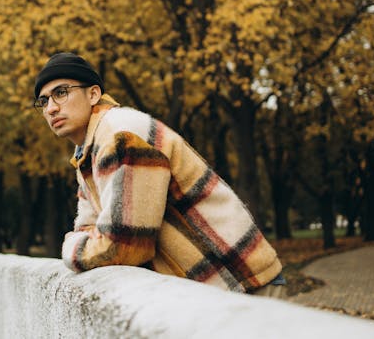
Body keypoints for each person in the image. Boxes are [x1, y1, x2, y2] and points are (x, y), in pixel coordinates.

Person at [33, 52, 285, 297]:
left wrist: (69, 247)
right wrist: (86, 241)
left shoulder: (121, 135)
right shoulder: (88, 153)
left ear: (93, 93)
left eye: (61, 93)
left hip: (243, 283)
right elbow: (90, 228)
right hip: (216, 288)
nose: (51, 108)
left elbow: (124, 247)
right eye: (44, 101)